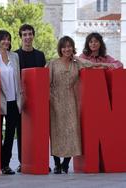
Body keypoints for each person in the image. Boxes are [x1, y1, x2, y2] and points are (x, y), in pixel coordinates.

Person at [46, 36, 113, 174]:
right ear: (60, 49)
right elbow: (45, 83)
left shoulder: (77, 63)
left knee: (72, 131)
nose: (67, 49)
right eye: (64, 47)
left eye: (69, 46)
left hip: (71, 101)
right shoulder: (53, 63)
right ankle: (57, 164)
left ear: (73, 48)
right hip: (55, 101)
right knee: (56, 132)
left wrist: (106, 65)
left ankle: (66, 163)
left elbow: (91, 64)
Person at [0, 30, 22, 175]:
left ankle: (5, 164)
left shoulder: (15, 56)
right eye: (3, 39)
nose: (6, 42)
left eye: (8, 39)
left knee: (9, 135)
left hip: (13, 100)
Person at [15, 24, 46, 173]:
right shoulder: (15, 55)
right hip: (21, 98)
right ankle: (23, 162)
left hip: (38, 99)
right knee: (21, 132)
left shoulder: (40, 55)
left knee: (39, 131)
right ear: (20, 37)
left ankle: (40, 160)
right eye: (24, 34)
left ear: (33, 36)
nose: (27, 37)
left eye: (29, 34)